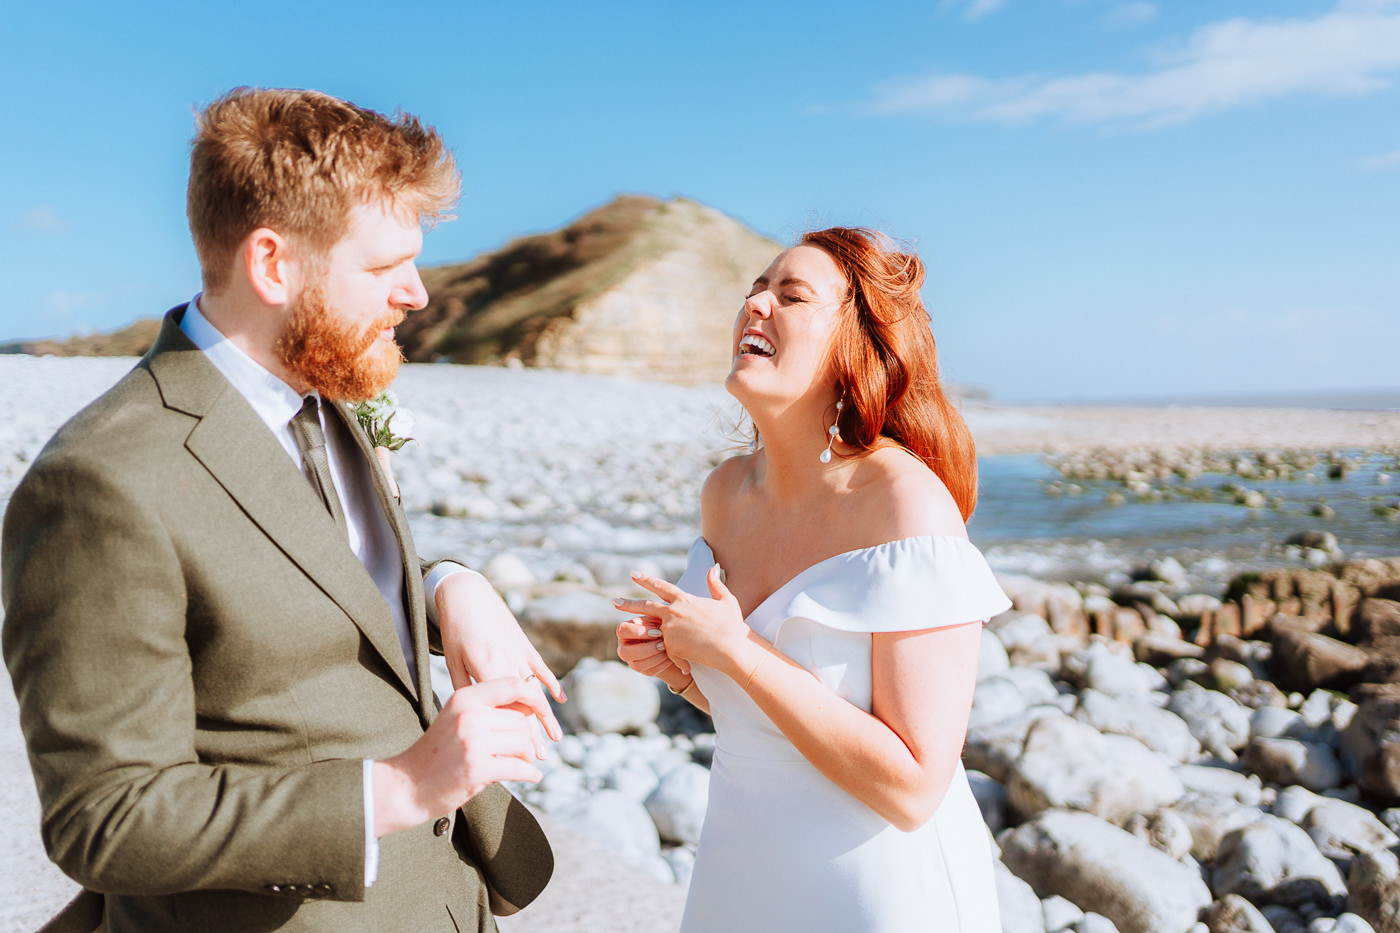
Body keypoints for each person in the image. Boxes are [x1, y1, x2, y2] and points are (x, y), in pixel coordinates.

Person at [2, 87, 561, 933]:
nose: (416, 293)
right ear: (273, 264)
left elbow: (320, 574)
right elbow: (105, 817)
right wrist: (404, 785)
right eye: (382, 268)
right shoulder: (100, 483)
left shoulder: (326, 394)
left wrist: (448, 585)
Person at [615, 227, 1011, 932]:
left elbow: (915, 784)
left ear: (853, 346)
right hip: (740, 869)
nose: (756, 305)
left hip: (877, 889)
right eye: (754, 290)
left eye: (790, 294)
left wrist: (733, 649)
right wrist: (685, 670)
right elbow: (771, 717)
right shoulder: (724, 493)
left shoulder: (904, 502)